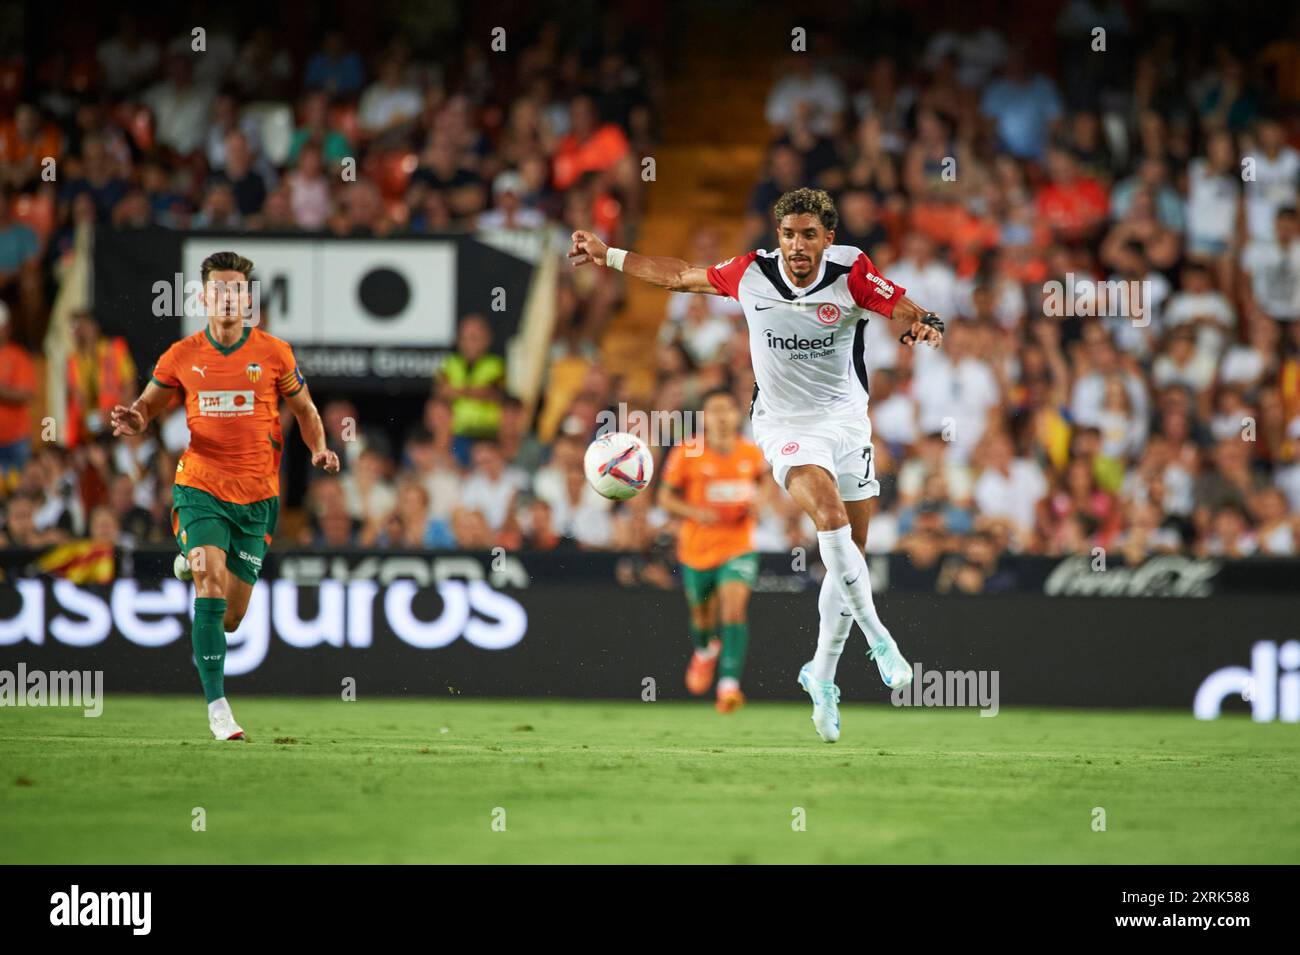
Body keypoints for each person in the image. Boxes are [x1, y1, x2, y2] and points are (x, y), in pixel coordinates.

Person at [569, 187, 945, 742]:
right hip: (784, 425)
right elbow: (678, 276)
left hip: (845, 421)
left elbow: (901, 305)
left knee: (850, 558)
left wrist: (923, 321)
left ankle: (820, 674)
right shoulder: (750, 273)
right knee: (828, 514)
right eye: (789, 233)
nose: (797, 245)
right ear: (779, 236)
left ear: (828, 240)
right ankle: (879, 638)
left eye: (809, 235)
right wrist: (611, 255)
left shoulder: (852, 272)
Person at [110, 251, 340, 741]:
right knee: (209, 585)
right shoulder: (182, 355)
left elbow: (305, 409)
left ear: (248, 299)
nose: (229, 298)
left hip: (257, 498)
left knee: (231, 617)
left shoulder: (275, 353)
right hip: (200, 485)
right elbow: (148, 405)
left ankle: (189, 558)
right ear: (203, 297)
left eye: (237, 290)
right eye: (219, 290)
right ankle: (218, 708)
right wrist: (136, 418)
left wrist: (319, 449)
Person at [658, 389, 767, 713]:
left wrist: (761, 501)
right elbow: (664, 498)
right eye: (713, 410)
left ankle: (729, 686)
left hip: (739, 545)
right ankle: (705, 651)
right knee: (701, 615)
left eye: (726, 410)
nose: (720, 417)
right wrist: (694, 512)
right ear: (704, 418)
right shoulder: (687, 452)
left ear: (737, 416)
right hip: (697, 548)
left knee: (733, 609)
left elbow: (765, 485)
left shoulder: (751, 453)